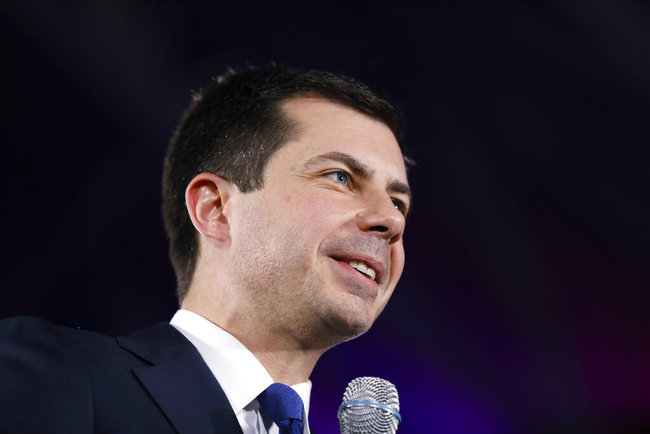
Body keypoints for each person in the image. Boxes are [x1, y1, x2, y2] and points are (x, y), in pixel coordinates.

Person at [0, 65, 412, 433]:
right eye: (340, 177)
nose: (391, 221)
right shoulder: (59, 373)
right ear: (215, 208)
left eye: (398, 203)